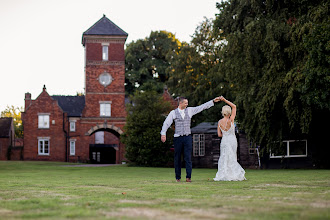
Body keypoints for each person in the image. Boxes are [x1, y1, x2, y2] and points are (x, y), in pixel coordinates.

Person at [161, 96, 221, 182]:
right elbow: (166, 123)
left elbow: (201, 107)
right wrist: (163, 133)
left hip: (187, 137)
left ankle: (188, 177)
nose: (187, 104)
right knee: (177, 158)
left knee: (188, 158)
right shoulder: (173, 113)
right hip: (178, 138)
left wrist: (213, 101)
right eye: (185, 103)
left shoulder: (190, 110)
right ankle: (178, 178)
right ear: (180, 103)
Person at [214, 96, 246, 181]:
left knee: (224, 157)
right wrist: (224, 100)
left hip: (224, 140)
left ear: (223, 112)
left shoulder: (219, 122)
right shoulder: (231, 120)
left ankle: (224, 174)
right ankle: (232, 174)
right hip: (232, 140)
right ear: (229, 112)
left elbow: (219, 135)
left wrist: (225, 134)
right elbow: (234, 106)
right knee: (232, 156)